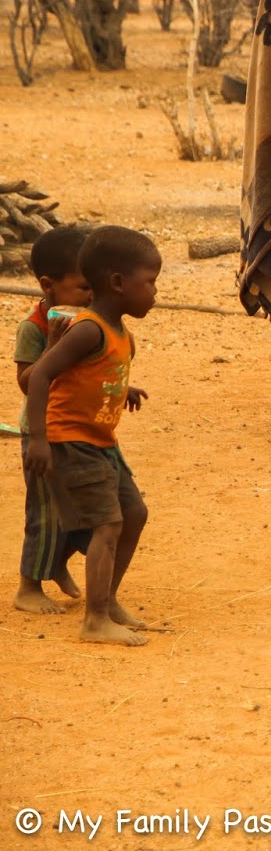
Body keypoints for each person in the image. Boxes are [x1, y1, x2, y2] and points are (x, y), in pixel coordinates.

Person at [23, 226, 158, 645]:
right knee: (108, 524)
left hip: (101, 441)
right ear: (118, 283)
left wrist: (122, 389)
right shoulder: (88, 328)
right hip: (71, 440)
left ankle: (108, 601)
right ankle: (95, 620)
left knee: (134, 513)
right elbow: (40, 375)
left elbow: (90, 373)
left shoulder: (119, 332)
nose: (155, 292)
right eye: (150, 281)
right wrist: (40, 439)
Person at [13, 225, 93, 614]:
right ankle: (28, 587)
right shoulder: (34, 327)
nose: (91, 295)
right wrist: (53, 346)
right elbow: (27, 383)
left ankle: (57, 562)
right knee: (44, 512)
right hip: (42, 432)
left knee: (82, 507)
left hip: (78, 427)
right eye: (83, 287)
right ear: (48, 285)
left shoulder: (86, 321)